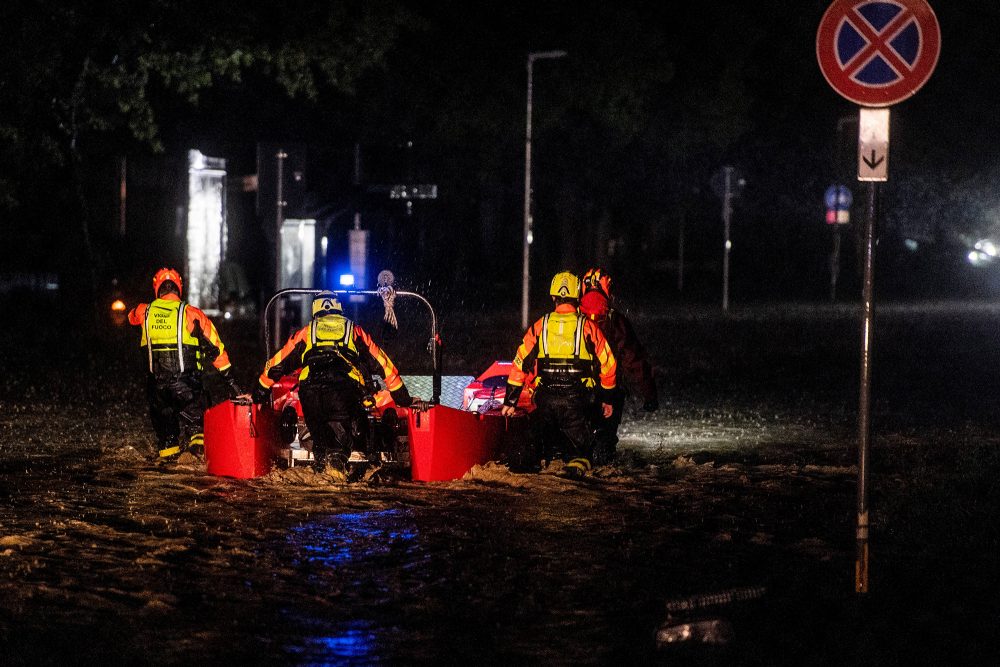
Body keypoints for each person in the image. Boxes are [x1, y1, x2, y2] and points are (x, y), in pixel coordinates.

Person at [253, 291, 412, 472]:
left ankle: (320, 474)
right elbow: (384, 366)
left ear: (315, 309)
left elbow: (276, 365)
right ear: (339, 308)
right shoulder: (354, 331)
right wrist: (403, 399)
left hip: (309, 392)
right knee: (337, 453)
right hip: (342, 391)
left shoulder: (306, 332)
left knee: (321, 451)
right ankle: (337, 478)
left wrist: (258, 394)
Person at [501, 271, 617, 476]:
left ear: (553, 297)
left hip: (545, 403)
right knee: (582, 456)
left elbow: (520, 363)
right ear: (578, 297)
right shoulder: (588, 327)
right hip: (578, 404)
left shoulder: (539, 326)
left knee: (530, 456)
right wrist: (607, 399)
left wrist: (511, 401)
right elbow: (608, 365)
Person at [128, 267, 243, 459]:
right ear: (178, 287)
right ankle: (197, 460)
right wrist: (231, 382)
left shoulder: (142, 312)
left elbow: (130, 316)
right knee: (199, 428)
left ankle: (169, 468)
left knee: (167, 442)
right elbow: (215, 349)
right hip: (187, 388)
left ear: (157, 288)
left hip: (157, 392)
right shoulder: (192, 314)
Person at [579, 267, 658, 464]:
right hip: (610, 390)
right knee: (605, 444)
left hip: (575, 389)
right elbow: (633, 359)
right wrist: (649, 394)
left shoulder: (571, 319)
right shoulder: (616, 320)